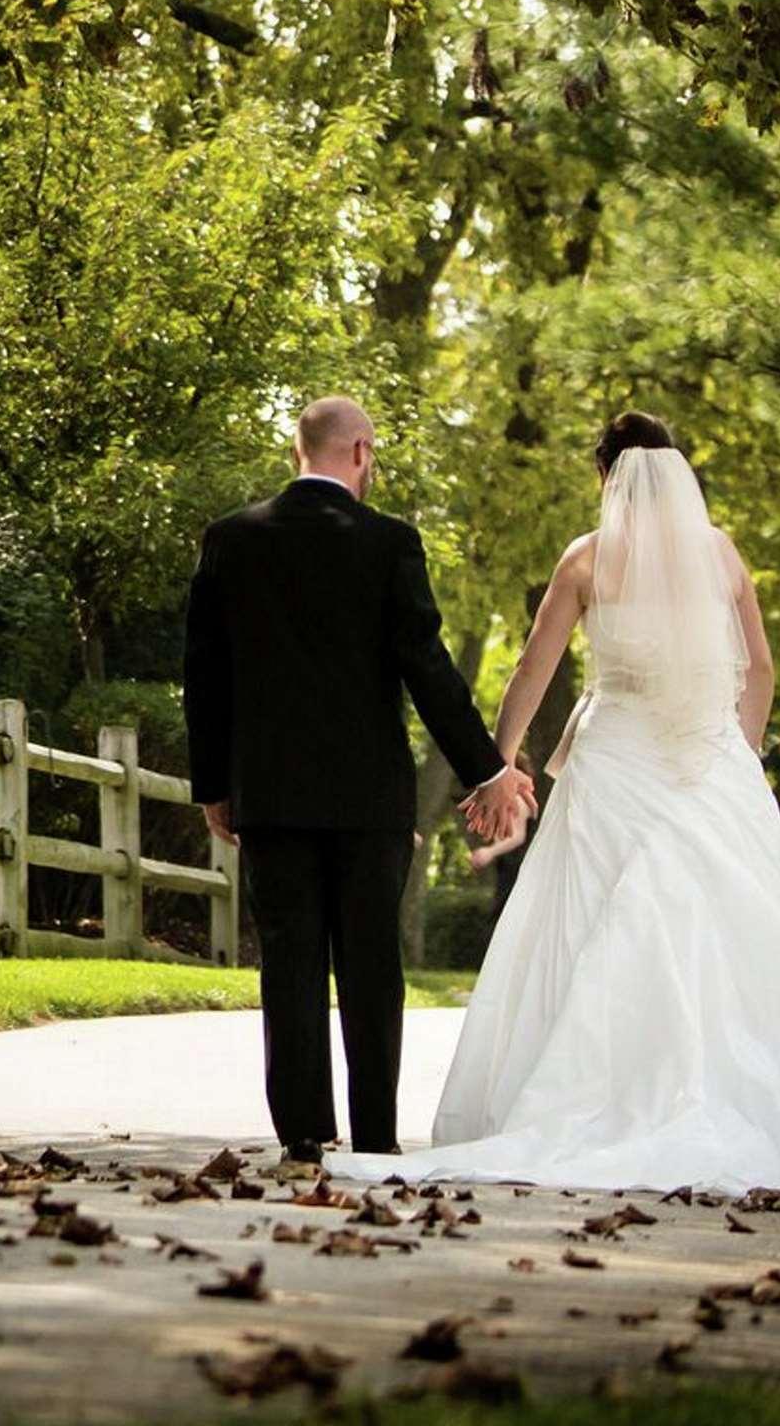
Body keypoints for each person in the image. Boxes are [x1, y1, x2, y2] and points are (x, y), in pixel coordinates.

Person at [329, 413, 780, 1200]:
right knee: (722, 935)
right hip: (709, 766)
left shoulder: (588, 558)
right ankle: (740, 1101)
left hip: (614, 763)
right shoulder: (721, 554)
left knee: (582, 925)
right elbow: (761, 670)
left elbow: (529, 675)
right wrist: (735, 752)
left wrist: (493, 768)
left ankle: (583, 1096)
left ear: (606, 473)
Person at [183, 396, 532, 1171]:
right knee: (371, 961)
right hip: (368, 794)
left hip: (269, 791)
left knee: (289, 956)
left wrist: (214, 783)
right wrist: (488, 767)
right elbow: (426, 669)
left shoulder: (231, 540)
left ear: (295, 449)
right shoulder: (388, 544)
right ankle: (374, 1132)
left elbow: (203, 676)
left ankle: (303, 1134)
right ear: (362, 452)